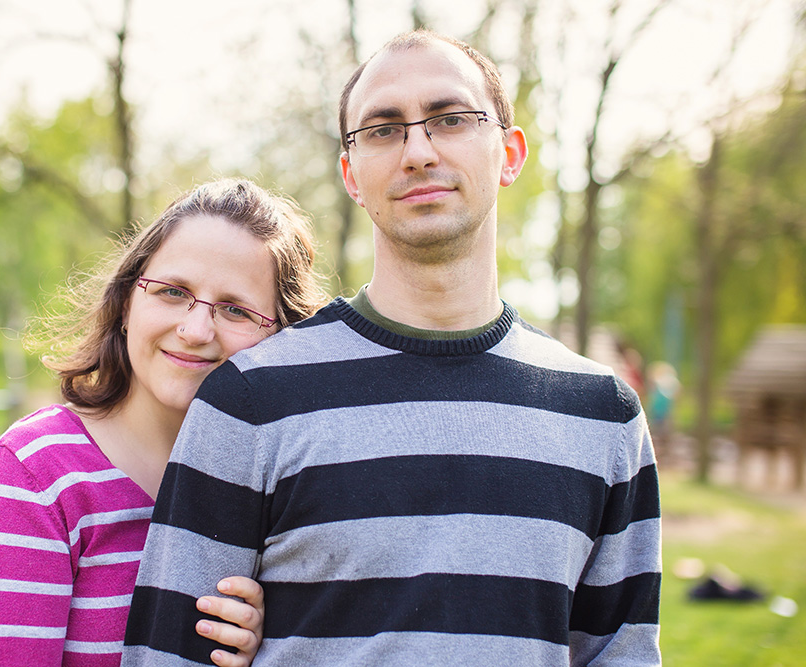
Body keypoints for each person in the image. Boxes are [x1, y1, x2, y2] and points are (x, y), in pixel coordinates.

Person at [122, 29, 661, 666]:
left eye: (450, 118)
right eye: (383, 129)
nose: (418, 151)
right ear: (351, 174)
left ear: (510, 153)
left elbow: (619, 655)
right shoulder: (250, 401)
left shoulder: (602, 415)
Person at [0, 179, 327, 667]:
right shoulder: (32, 477)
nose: (195, 330)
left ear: (281, 339)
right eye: (172, 292)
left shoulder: (277, 493)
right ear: (127, 302)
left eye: (235, 309)